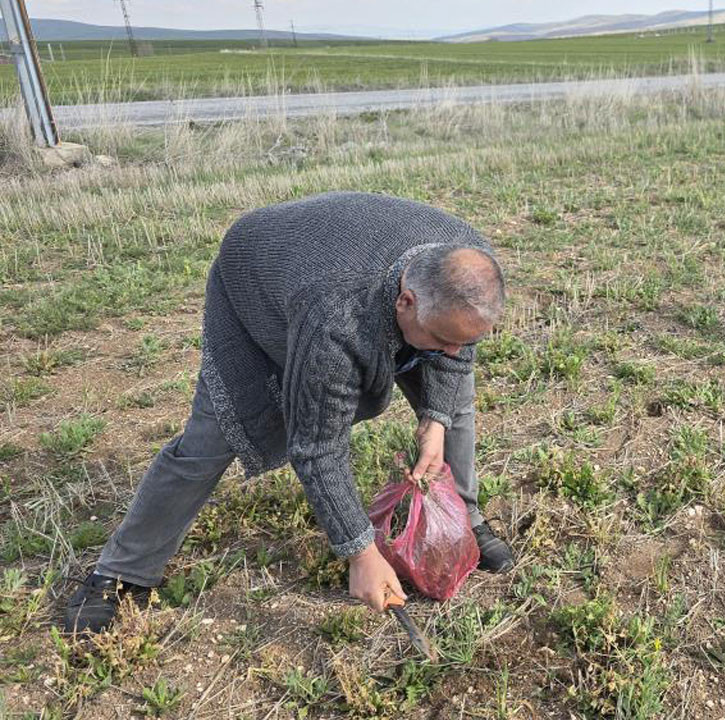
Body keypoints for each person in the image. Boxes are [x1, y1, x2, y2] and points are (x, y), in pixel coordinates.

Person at [64, 192, 516, 633]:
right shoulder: (337, 315)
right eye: (444, 339)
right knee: (211, 438)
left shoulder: (466, 262)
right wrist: (361, 553)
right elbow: (318, 446)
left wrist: (435, 419)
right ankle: (123, 572)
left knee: (454, 405)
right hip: (257, 283)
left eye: (468, 340)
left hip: (348, 273)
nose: (456, 352)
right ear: (407, 302)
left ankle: (465, 521)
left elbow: (455, 349)